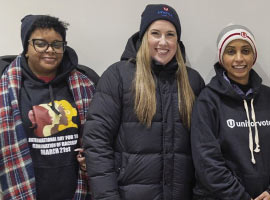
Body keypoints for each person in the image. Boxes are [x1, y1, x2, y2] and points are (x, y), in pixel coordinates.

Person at [83, 4, 205, 200]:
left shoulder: (192, 81)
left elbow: (203, 148)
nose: (163, 42)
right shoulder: (118, 76)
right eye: (155, 33)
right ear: (143, 36)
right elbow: (97, 142)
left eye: (170, 34)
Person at [0, 15, 98, 200]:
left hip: (77, 190)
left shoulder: (87, 84)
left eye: (56, 44)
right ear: (26, 48)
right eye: (40, 43)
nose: (50, 50)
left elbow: (100, 138)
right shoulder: (6, 89)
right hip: (24, 187)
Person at [191, 24, 270, 200]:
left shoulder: (268, 97)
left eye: (246, 50)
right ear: (221, 57)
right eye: (231, 51)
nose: (239, 58)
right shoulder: (207, 101)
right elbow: (207, 162)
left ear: (253, 56)